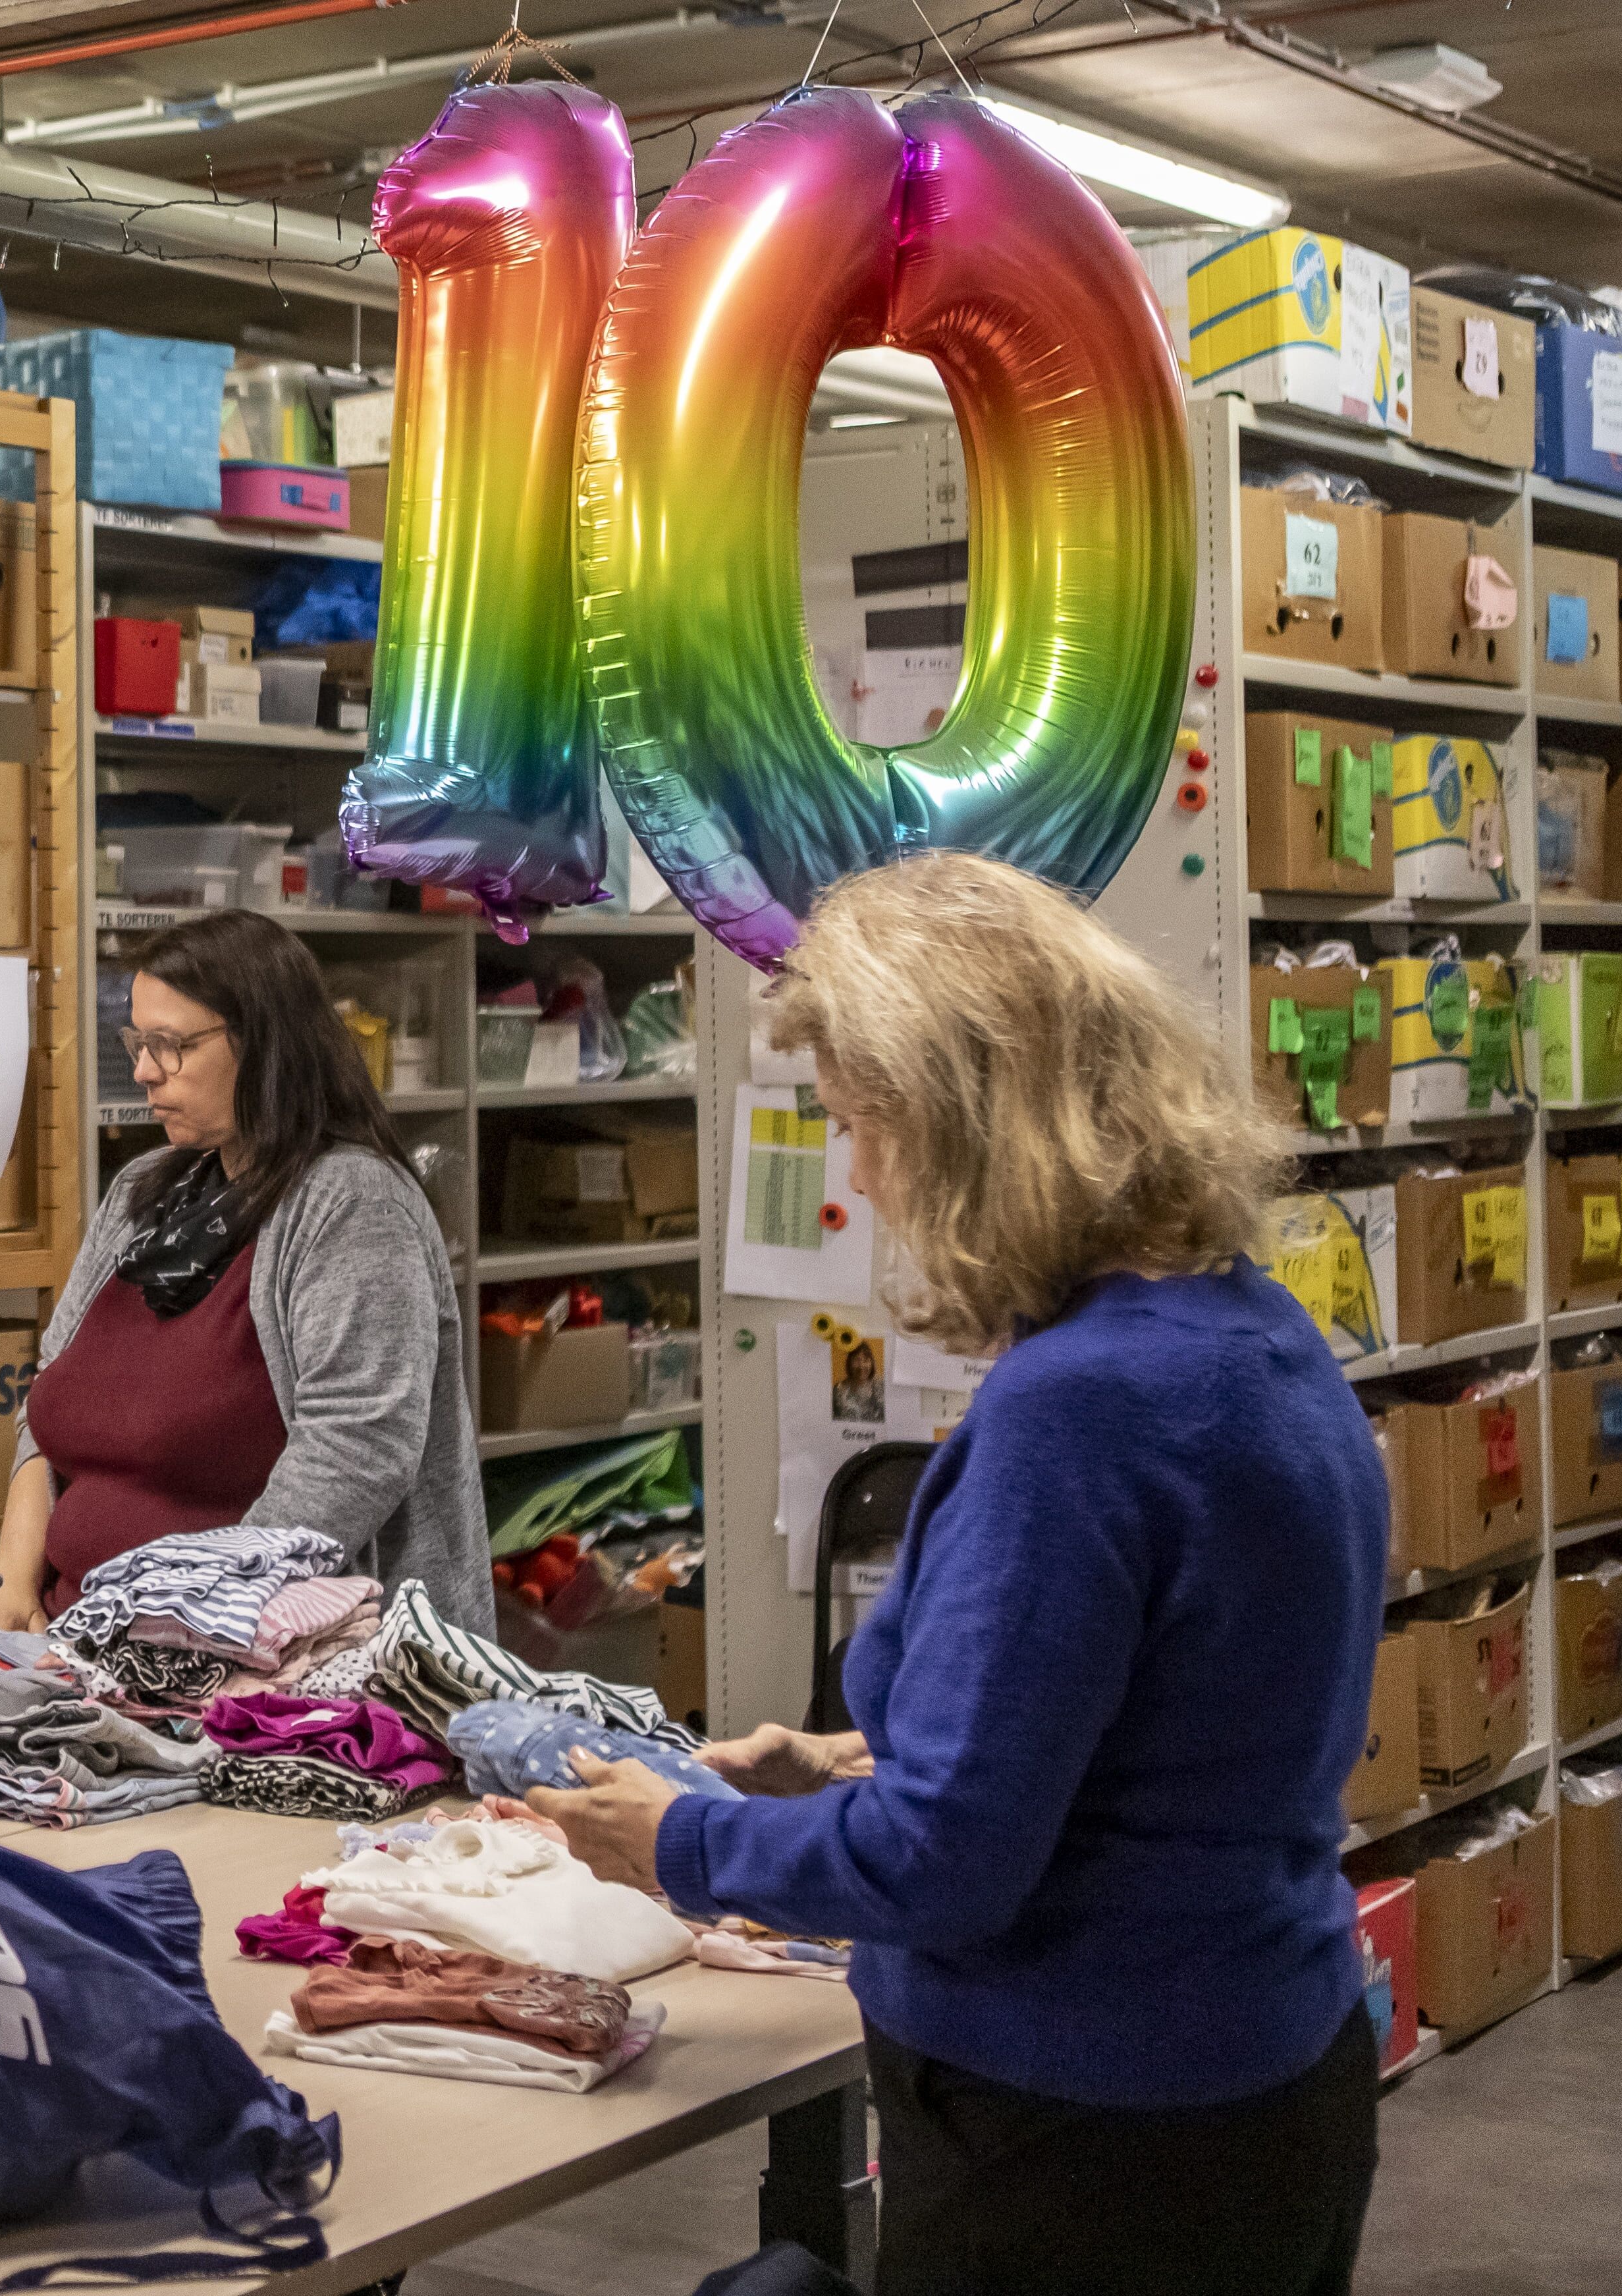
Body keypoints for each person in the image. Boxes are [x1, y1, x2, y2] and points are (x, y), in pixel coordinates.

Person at [525, 854, 1381, 2295]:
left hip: (1081, 2133)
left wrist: (676, 1841)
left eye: (861, 1126)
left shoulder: (1079, 1408)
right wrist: (851, 1762)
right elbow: (1179, 1725)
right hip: (1262, 2070)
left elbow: (945, 1867)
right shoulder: (1249, 1333)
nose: (858, 1175)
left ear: (970, 1121)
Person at [0, 912, 481, 1631]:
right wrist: (11, 1588)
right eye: (138, 1043)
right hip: (80, 1637)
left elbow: (354, 1454)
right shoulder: (143, 1192)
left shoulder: (352, 1204)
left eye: (171, 1046)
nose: (144, 1070)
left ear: (266, 1043)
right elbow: (46, 1407)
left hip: (247, 1651)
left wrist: (182, 1626)